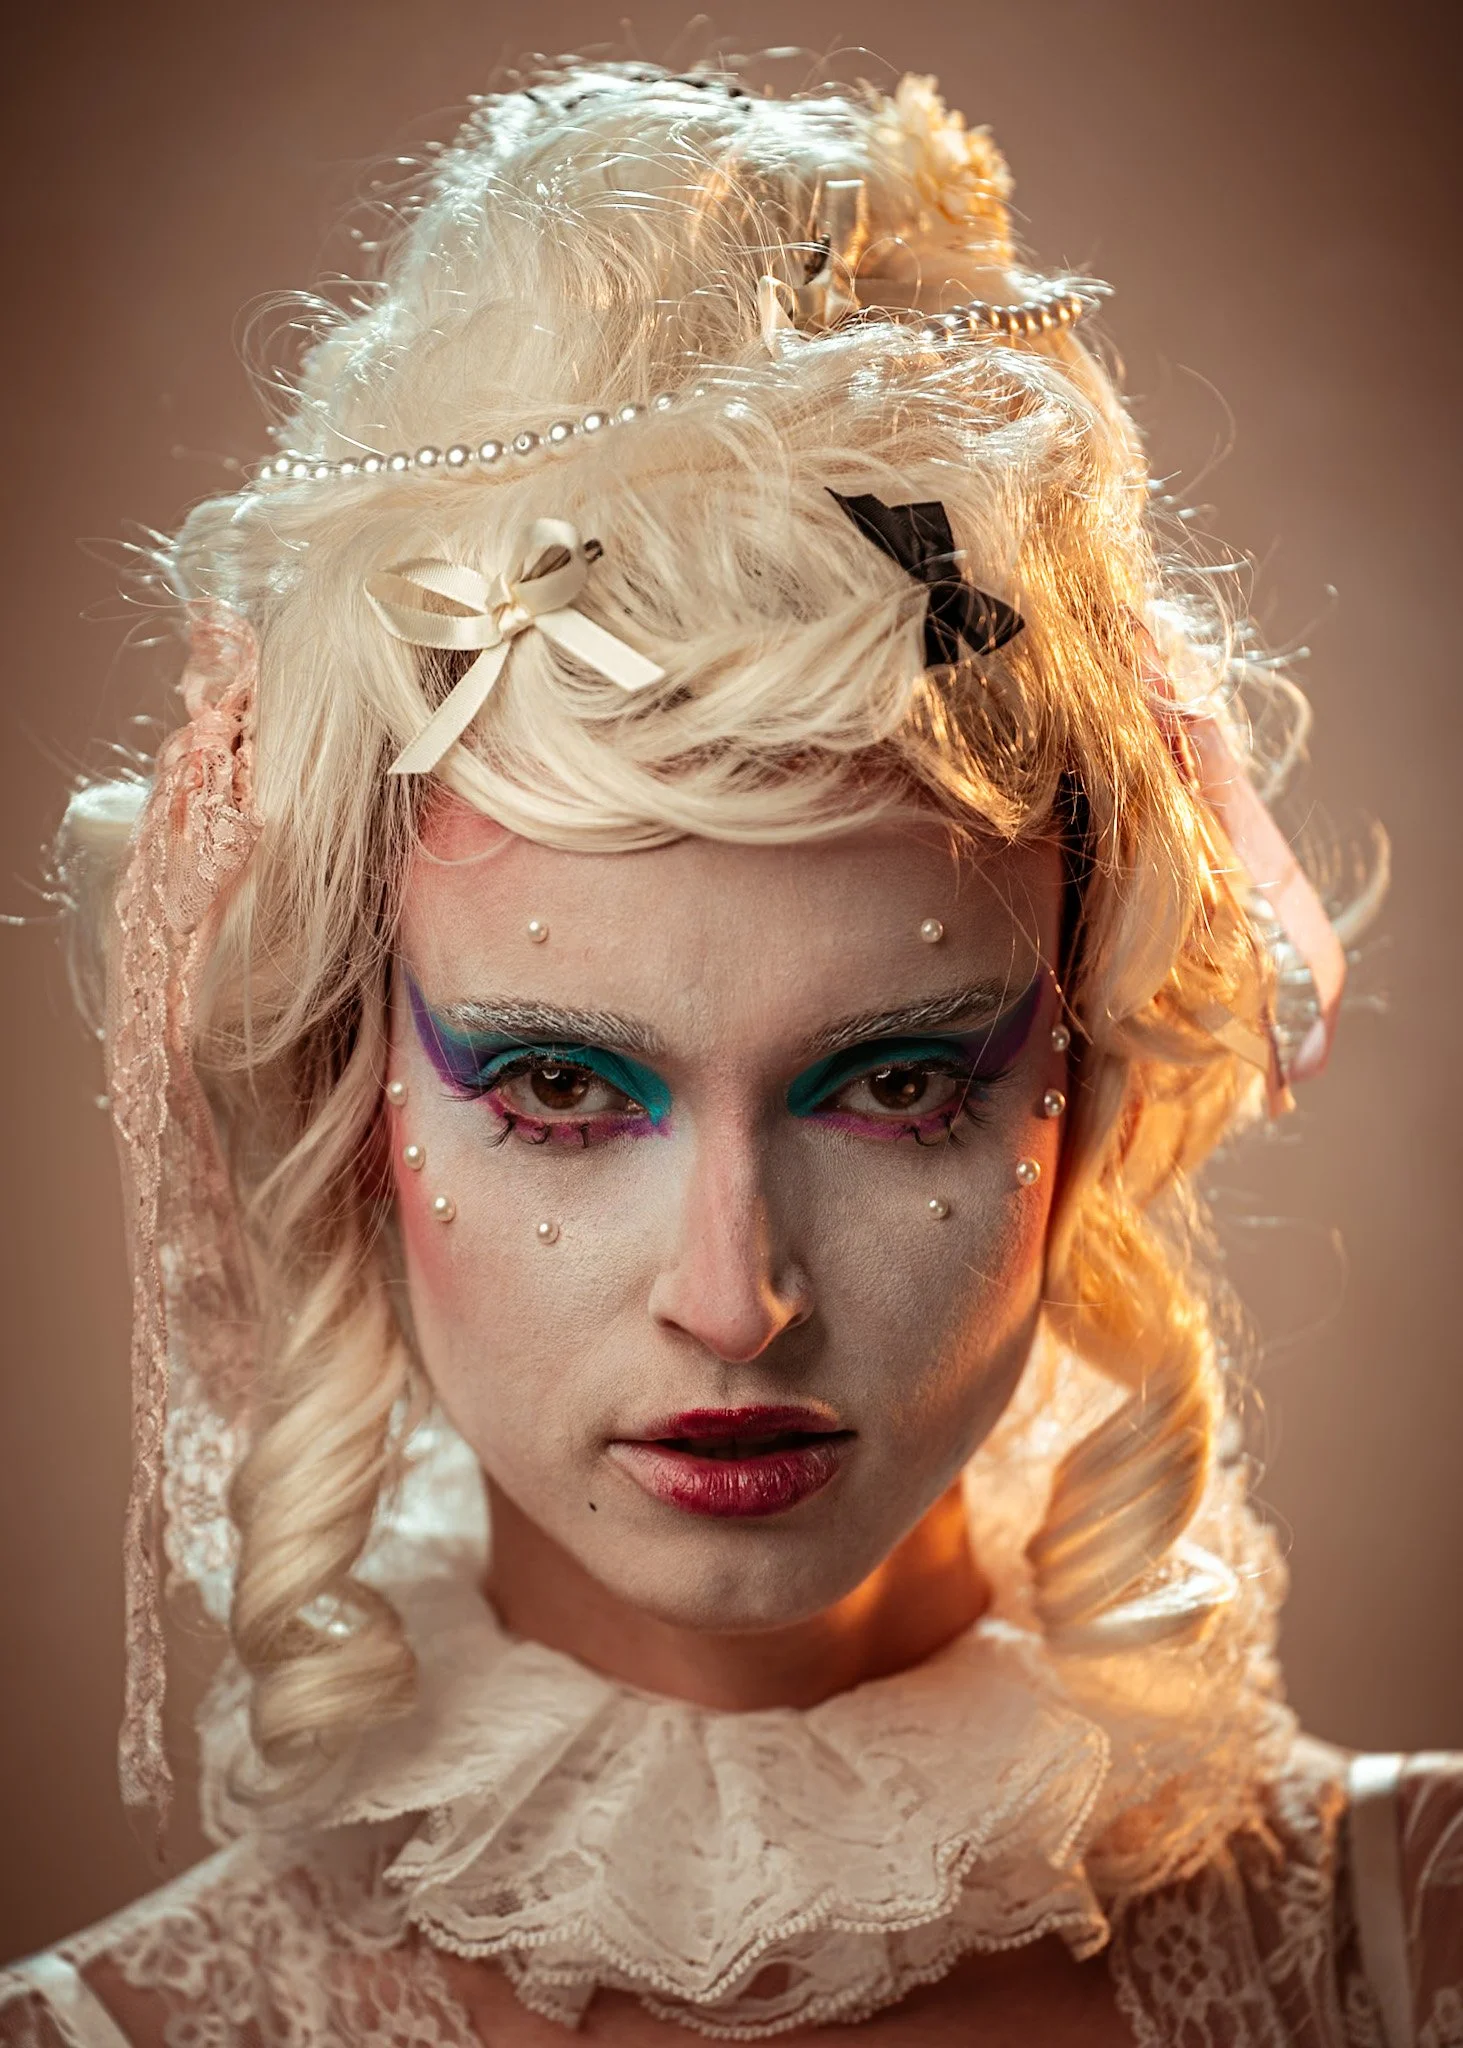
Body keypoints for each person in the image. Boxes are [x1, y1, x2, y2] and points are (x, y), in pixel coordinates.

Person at [1, 56, 1457, 2048]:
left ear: (1086, 1073)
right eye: (564, 1087)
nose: (730, 1299)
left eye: (888, 1078)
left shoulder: (1411, 1955)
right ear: (357, 1099)